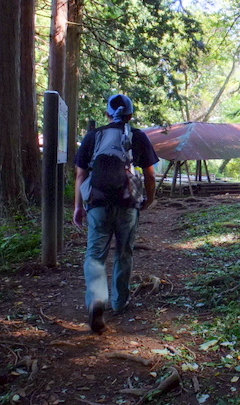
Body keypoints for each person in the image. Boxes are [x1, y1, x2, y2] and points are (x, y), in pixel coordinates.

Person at [73, 94, 158, 333]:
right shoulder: (138, 136)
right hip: (127, 203)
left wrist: (78, 206)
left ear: (107, 114)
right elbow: (150, 175)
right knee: (124, 252)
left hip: (97, 203)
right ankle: (120, 302)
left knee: (95, 255)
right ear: (130, 115)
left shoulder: (93, 135)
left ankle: (96, 301)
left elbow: (80, 175)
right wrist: (148, 199)